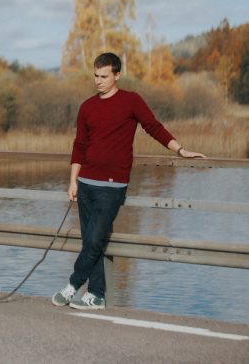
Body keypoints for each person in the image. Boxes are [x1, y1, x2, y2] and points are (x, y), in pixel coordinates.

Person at [52, 52, 206, 310]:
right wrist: (73, 181)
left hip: (112, 186)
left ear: (117, 75)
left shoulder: (131, 101)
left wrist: (180, 149)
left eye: (104, 76)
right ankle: (97, 295)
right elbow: (79, 146)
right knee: (92, 241)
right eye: (95, 76)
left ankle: (73, 285)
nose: (98, 81)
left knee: (93, 240)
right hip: (87, 183)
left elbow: (153, 127)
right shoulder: (87, 106)